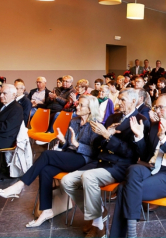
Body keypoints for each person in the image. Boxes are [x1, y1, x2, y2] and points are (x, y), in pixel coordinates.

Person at [0, 95, 100, 227]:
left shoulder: (95, 125)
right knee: (46, 170)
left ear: (90, 109)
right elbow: (66, 144)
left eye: (81, 105)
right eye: (78, 104)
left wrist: (77, 145)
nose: (77, 106)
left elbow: (95, 152)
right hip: (69, 155)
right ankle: (46, 210)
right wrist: (63, 141)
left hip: (83, 159)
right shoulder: (74, 120)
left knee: (46, 154)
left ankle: (20, 185)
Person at [61, 89, 150, 238]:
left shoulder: (141, 120)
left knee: (88, 177)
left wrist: (108, 136)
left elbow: (132, 154)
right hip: (101, 161)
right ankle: (99, 212)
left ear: (133, 101)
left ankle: (98, 225)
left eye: (122, 99)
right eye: (118, 99)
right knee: (66, 181)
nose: (118, 102)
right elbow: (97, 144)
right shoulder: (113, 117)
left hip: (120, 166)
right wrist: (103, 135)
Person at [110, 93, 166, 238]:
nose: (157, 111)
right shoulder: (155, 125)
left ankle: (129, 234)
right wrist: (139, 136)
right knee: (133, 169)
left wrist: (163, 138)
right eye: (156, 107)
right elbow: (145, 156)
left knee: (124, 188)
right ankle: (130, 234)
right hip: (151, 168)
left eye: (161, 108)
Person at [0, 84, 23, 149]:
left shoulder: (17, 108)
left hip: (5, 138)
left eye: (4, 93)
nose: (1, 96)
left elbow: (6, 128)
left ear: (13, 95)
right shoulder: (2, 104)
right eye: (1, 93)